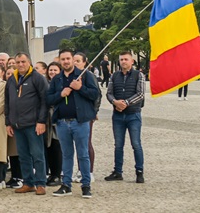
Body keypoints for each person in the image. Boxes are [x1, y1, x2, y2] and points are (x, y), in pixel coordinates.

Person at [47, 50, 99, 198]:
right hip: (62, 123)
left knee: (83, 154)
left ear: (72, 59)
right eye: (63, 59)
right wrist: (60, 94)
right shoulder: (57, 79)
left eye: (68, 58)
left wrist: (80, 88)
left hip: (80, 122)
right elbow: (49, 99)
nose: (66, 61)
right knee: (67, 154)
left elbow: (95, 94)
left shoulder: (85, 75)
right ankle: (66, 185)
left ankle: (86, 185)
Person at [5, 52, 49, 195]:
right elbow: (8, 102)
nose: (21, 64)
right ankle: (28, 182)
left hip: (33, 124)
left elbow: (44, 101)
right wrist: (8, 122)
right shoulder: (12, 79)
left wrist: (41, 121)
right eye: (18, 62)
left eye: (23, 61)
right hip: (17, 125)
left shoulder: (37, 78)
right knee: (23, 155)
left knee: (37, 154)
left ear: (29, 61)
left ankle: (41, 183)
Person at [105, 51, 145, 184]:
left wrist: (126, 103)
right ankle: (118, 171)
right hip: (117, 115)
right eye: (121, 59)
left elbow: (140, 94)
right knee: (118, 145)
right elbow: (109, 93)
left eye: (126, 59)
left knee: (136, 144)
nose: (123, 62)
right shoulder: (114, 76)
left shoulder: (138, 75)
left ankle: (139, 171)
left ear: (132, 61)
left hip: (133, 114)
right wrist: (114, 102)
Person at [72, 52, 102, 184]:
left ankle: (88, 171)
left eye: (78, 61)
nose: (75, 63)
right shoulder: (70, 76)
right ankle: (79, 170)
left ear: (84, 63)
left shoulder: (88, 76)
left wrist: (94, 111)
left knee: (86, 143)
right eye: (74, 60)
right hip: (73, 114)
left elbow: (96, 95)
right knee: (76, 144)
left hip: (86, 114)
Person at [44, 62, 63, 186]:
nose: (52, 72)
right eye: (50, 70)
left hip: (57, 117)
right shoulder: (46, 83)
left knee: (57, 146)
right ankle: (51, 173)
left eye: (55, 70)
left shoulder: (62, 83)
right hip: (46, 118)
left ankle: (57, 174)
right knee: (48, 146)